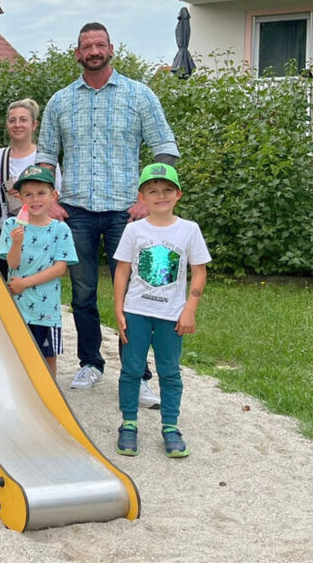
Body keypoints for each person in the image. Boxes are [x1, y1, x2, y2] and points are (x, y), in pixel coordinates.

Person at [37, 22, 179, 404]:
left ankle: (139, 373)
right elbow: (46, 156)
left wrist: (149, 199)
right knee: (83, 292)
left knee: (137, 294)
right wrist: (49, 199)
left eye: (100, 44)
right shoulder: (60, 101)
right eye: (87, 45)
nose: (94, 50)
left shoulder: (139, 95)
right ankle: (91, 362)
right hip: (77, 211)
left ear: (111, 48)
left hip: (127, 215)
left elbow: (164, 147)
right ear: (77, 53)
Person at [113, 164, 209, 459]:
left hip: (171, 315)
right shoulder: (134, 230)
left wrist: (190, 309)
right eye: (153, 190)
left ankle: (170, 426)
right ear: (142, 196)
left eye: (167, 190)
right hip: (137, 311)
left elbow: (199, 272)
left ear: (178, 194)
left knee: (169, 371)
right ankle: (128, 423)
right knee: (131, 369)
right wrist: (118, 308)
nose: (161, 195)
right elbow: (122, 270)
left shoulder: (189, 230)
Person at [0, 166, 77, 375]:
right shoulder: (12, 225)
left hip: (46, 309)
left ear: (53, 196)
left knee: (48, 356)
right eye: (28, 194)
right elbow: (12, 264)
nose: (35, 199)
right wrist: (16, 243)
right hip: (17, 307)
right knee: (15, 354)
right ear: (20, 197)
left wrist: (25, 283)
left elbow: (60, 269)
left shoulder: (60, 229)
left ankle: (50, 397)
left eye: (41, 193)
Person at [0, 99, 62, 278]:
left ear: (34, 125)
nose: (17, 125)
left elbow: (56, 197)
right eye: (12, 120)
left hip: (40, 233)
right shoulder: (0, 156)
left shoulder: (44, 159)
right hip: (8, 230)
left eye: (23, 120)